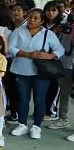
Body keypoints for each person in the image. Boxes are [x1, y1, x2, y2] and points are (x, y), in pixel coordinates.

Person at [8, 8, 64, 139]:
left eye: (35, 18)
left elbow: (59, 49)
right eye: (30, 17)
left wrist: (50, 55)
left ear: (42, 21)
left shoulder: (48, 34)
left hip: (41, 72)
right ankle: (22, 124)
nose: (31, 20)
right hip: (21, 70)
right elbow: (10, 47)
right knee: (23, 98)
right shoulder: (18, 31)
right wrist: (27, 54)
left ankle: (36, 126)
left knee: (39, 99)